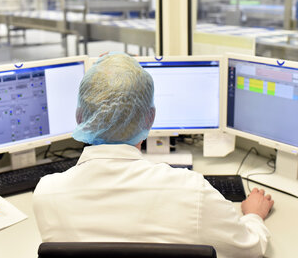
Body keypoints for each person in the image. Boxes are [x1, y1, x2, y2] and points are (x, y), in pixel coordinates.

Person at [33, 53, 274, 258]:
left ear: (79, 118)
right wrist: (253, 215)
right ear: (150, 118)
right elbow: (252, 249)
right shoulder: (191, 191)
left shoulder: (46, 193)